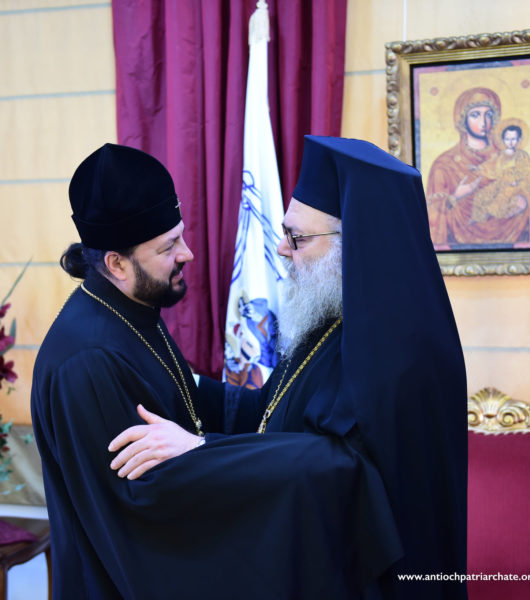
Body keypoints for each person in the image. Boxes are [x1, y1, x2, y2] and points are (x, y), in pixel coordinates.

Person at [31, 142, 402, 600]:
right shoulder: (87, 362)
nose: (187, 253)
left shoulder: (133, 309)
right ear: (116, 263)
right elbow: (140, 512)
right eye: (168, 246)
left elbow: (183, 403)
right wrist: (205, 451)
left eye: (181, 236)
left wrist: (205, 439)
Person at [110, 136, 468, 599]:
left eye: (297, 237)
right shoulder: (332, 318)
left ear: (355, 245)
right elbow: (271, 411)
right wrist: (183, 381)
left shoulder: (407, 348)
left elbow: (344, 469)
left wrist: (201, 450)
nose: (281, 249)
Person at [426, 87, 530, 247]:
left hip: (511, 244)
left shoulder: (510, 156)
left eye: (488, 114)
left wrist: (524, 200)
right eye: (475, 115)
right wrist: (456, 196)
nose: (484, 122)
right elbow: (429, 213)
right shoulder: (445, 164)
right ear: (462, 119)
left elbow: (528, 188)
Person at [469, 121, 530, 243]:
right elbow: (490, 166)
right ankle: (478, 220)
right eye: (507, 139)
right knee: (482, 194)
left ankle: (493, 216)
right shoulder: (500, 155)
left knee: (502, 199)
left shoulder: (522, 156)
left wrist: (517, 182)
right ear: (503, 140)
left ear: (519, 140)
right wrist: (478, 168)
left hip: (515, 185)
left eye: (513, 139)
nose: (510, 142)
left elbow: (527, 174)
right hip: (500, 183)